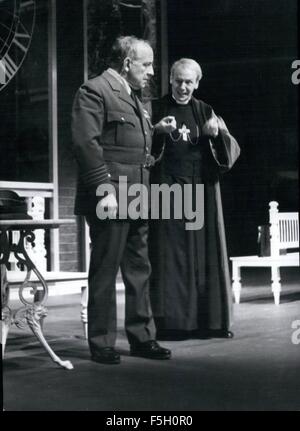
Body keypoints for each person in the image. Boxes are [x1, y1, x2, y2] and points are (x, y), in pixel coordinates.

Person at [71, 36, 174, 364]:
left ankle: (142, 338)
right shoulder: (95, 90)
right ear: (127, 63)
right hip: (111, 195)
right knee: (105, 268)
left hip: (137, 193)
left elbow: (130, 145)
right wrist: (105, 190)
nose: (151, 71)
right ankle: (101, 341)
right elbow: (86, 144)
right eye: (146, 64)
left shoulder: (135, 98)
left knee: (139, 268)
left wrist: (155, 130)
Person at [149, 58, 240, 340]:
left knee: (205, 256)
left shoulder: (206, 111)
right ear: (170, 80)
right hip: (167, 191)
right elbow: (139, 146)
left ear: (197, 83)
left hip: (200, 191)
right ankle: (173, 324)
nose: (183, 87)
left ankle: (209, 323)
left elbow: (231, 152)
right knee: (170, 257)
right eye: (178, 81)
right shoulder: (155, 108)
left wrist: (214, 136)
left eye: (189, 82)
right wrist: (155, 131)